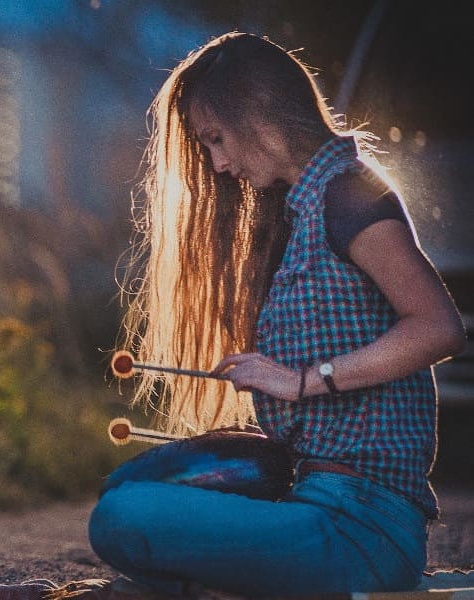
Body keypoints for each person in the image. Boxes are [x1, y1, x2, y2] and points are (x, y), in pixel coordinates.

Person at [87, 32, 466, 597]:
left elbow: (438, 326)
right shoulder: (305, 210)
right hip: (319, 508)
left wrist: (301, 382)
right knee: (129, 491)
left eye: (216, 139)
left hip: (362, 529)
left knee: (121, 517)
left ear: (259, 117)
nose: (216, 163)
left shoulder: (349, 195)